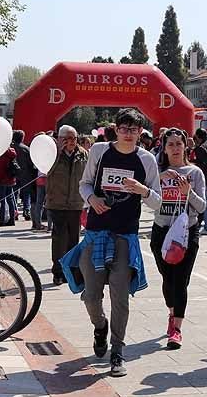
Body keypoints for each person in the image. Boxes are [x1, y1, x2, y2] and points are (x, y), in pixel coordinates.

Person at [65, 109, 161, 377]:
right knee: (91, 296)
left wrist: (143, 190)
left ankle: (117, 351)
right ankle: (100, 326)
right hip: (96, 234)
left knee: (120, 297)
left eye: (134, 129)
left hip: (125, 236)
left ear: (140, 132)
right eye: (124, 128)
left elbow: (158, 200)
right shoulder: (99, 151)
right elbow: (84, 184)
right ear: (115, 129)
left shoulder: (147, 160)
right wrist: (92, 200)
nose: (128, 133)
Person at [150, 128, 206, 349]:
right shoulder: (156, 172)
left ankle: (177, 329)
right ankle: (172, 312)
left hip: (186, 233)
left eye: (179, 144)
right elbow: (147, 201)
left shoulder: (195, 173)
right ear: (164, 148)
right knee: (168, 280)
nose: (175, 148)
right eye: (170, 144)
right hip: (161, 231)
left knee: (181, 281)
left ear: (186, 146)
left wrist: (188, 192)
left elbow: (202, 207)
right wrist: (157, 183)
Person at [47, 125, 87, 285]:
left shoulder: (83, 154)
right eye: (68, 138)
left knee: (73, 240)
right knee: (59, 239)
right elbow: (47, 171)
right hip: (57, 203)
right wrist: (57, 154)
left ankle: (71, 273)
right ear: (60, 139)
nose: (71, 142)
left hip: (76, 203)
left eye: (74, 138)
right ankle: (57, 272)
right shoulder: (52, 154)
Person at [0, 144, 18, 226]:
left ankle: (2, 219)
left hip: (1, 180)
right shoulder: (11, 152)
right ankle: (12, 219)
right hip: (10, 179)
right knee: (10, 199)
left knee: (2, 200)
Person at [10, 130, 36, 221]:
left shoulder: (10, 148)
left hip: (14, 174)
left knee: (14, 194)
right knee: (26, 194)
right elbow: (31, 162)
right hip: (26, 174)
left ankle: (14, 211)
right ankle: (26, 210)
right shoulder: (26, 149)